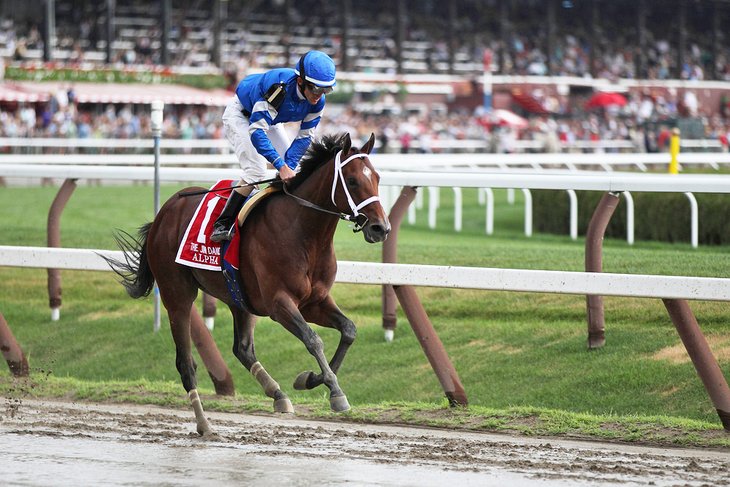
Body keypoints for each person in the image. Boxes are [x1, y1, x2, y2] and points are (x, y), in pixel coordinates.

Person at [210, 50, 336, 242]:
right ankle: (223, 223)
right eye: (316, 89)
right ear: (300, 81)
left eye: (326, 90)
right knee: (256, 171)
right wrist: (280, 165)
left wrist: (288, 167)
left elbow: (304, 137)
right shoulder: (278, 90)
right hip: (242, 116)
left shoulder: (318, 102)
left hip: (272, 120)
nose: (320, 95)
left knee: (293, 169)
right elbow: (257, 131)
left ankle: (276, 218)